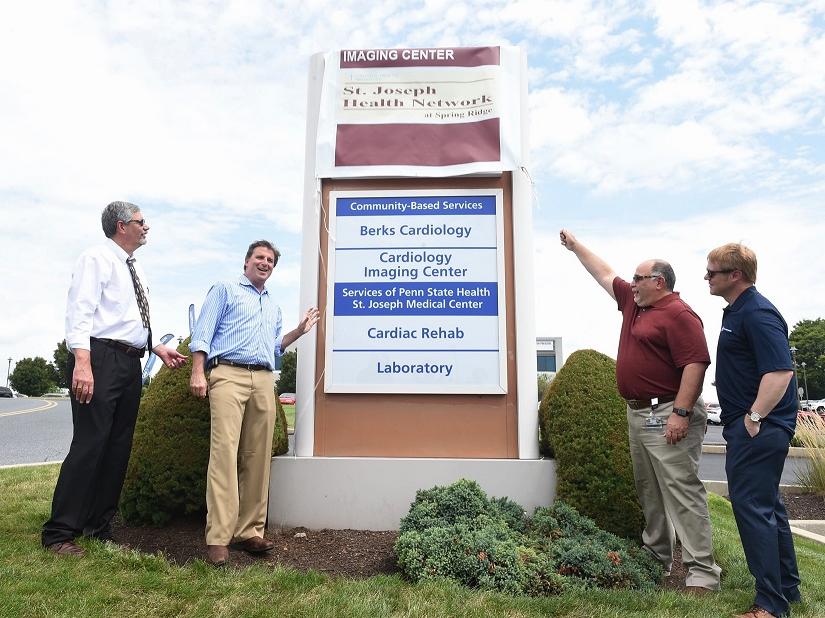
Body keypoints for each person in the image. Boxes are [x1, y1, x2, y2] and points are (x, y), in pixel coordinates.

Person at [560, 229, 721, 592]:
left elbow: (695, 364)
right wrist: (575, 247)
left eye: (638, 278)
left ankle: (702, 573)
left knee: (681, 491)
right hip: (640, 414)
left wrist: (681, 413)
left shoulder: (679, 314)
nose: (631, 283)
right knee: (649, 490)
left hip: (668, 412)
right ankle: (656, 559)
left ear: (658, 282)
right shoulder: (634, 304)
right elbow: (604, 273)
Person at [42, 201, 188, 556]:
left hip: (129, 362)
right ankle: (59, 533)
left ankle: (98, 526)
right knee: (90, 444)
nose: (146, 227)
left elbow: (129, 319)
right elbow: (80, 311)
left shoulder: (135, 268)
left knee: (118, 447)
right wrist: (82, 363)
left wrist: (156, 347)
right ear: (122, 226)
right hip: (99, 358)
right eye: (141, 221)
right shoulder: (96, 258)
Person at [189, 240, 320, 567]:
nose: (265, 263)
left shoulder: (273, 306)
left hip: (263, 379)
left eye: (271, 260)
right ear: (246, 262)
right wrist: (197, 372)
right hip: (228, 374)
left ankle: (249, 531)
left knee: (258, 457)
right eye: (260, 257)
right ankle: (219, 538)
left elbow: (275, 347)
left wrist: (299, 331)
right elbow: (203, 333)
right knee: (224, 454)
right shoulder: (225, 290)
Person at [706, 243, 801, 618]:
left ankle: (769, 605)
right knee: (768, 507)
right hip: (753, 427)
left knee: (752, 509)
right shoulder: (740, 311)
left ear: (736, 275)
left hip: (759, 428)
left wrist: (754, 417)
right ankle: (787, 590)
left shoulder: (757, 312)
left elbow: (780, 371)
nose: (706, 277)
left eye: (712, 271)